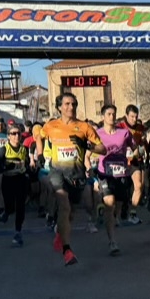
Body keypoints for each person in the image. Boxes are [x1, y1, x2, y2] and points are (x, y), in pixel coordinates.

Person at [35, 92, 106, 266]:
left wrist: (86, 145)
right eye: (67, 104)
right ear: (59, 107)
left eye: (73, 104)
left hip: (77, 174)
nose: (71, 107)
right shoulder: (51, 125)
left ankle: (60, 234)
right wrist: (39, 154)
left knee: (70, 213)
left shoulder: (84, 127)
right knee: (64, 204)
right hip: (57, 172)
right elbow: (39, 136)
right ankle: (67, 251)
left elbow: (102, 149)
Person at [91, 104, 137, 256]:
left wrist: (131, 158)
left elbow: (134, 147)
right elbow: (88, 153)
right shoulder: (97, 134)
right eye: (109, 114)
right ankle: (112, 241)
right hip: (105, 173)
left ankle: (112, 216)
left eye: (114, 114)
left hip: (121, 174)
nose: (112, 117)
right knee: (109, 204)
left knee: (118, 204)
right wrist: (88, 169)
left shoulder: (124, 133)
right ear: (103, 116)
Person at [0, 124, 29, 247]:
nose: (16, 136)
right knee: (10, 207)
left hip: (20, 180)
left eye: (18, 133)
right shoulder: (3, 150)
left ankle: (18, 232)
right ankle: (6, 212)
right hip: (8, 180)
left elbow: (26, 164)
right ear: (8, 136)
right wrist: (6, 166)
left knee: (20, 207)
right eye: (13, 134)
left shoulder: (23, 149)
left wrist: (28, 169)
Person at [117, 105, 146, 222]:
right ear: (126, 116)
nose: (134, 119)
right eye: (132, 116)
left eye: (136, 116)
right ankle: (118, 213)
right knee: (121, 190)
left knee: (138, 185)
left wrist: (143, 145)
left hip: (134, 161)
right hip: (121, 162)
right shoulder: (119, 127)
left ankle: (133, 213)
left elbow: (143, 143)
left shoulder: (140, 128)